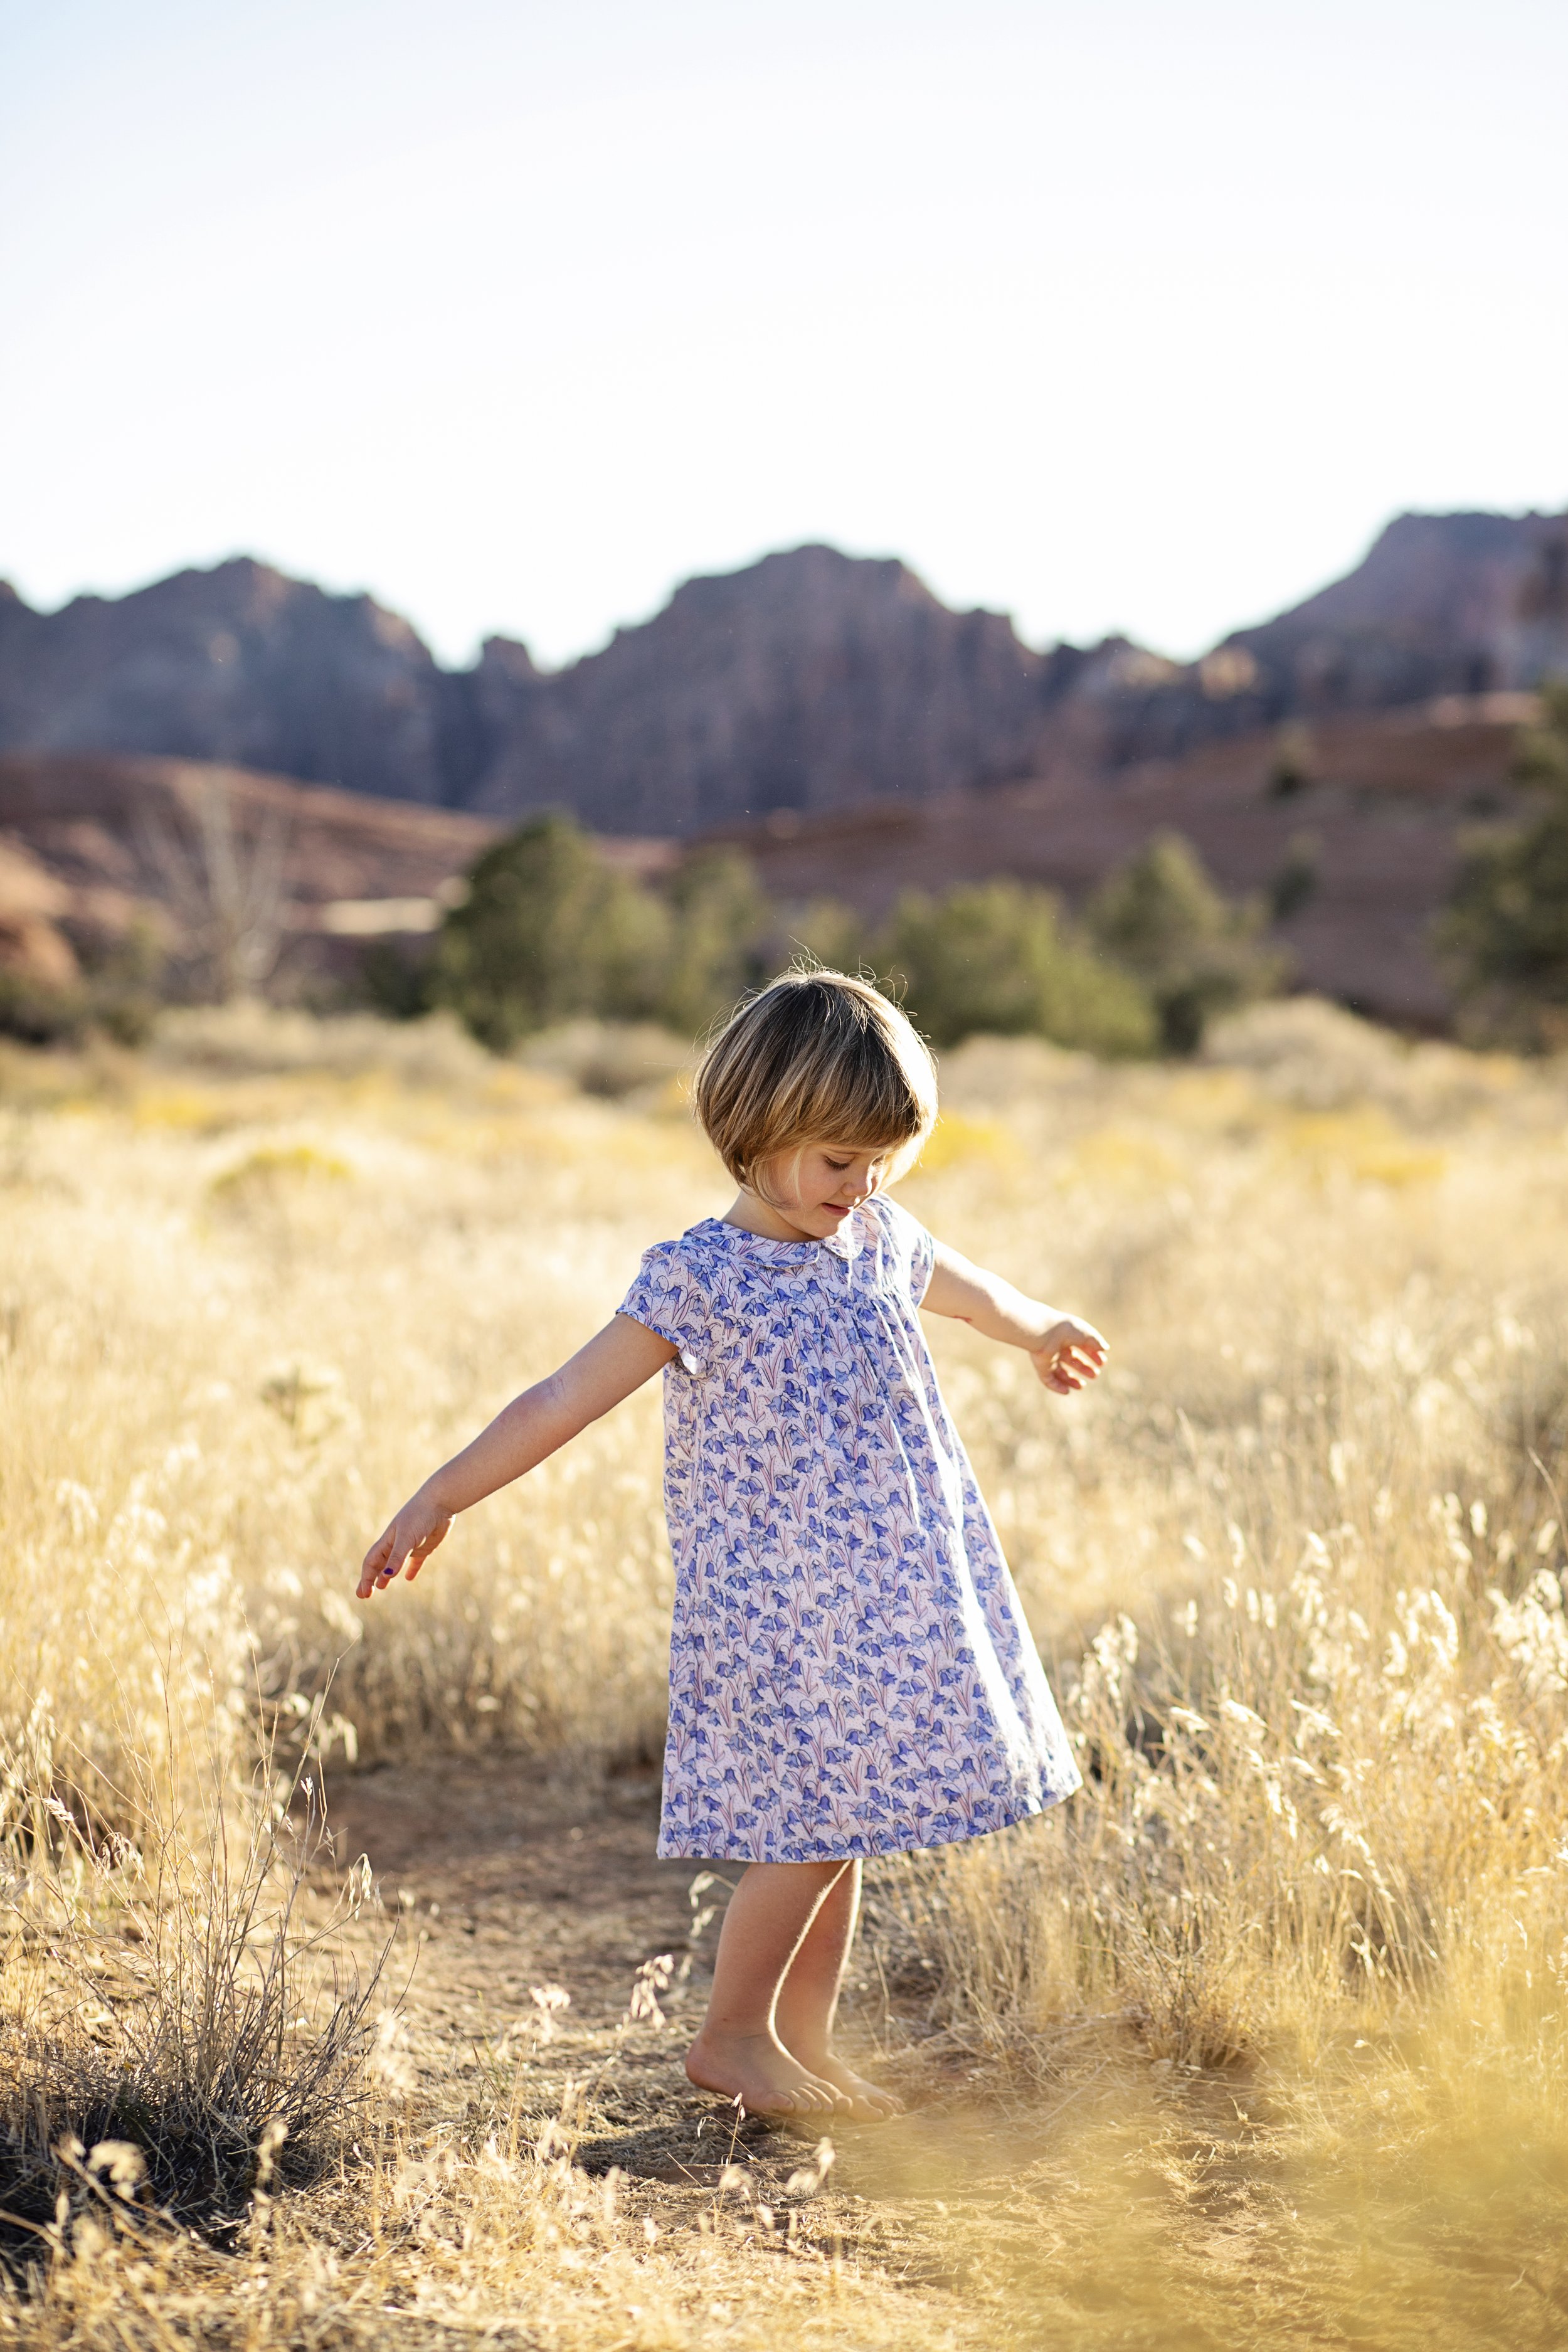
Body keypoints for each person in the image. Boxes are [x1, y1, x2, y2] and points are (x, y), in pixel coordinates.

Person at [358, 970, 1105, 2122]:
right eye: (839, 1160)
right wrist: (442, 1493)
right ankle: (732, 2036)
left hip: (889, 1592)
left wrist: (1043, 1327)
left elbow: (974, 1294)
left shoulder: (879, 1238)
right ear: (757, 1131)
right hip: (781, 1602)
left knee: (845, 1824)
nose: (862, 1187)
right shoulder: (700, 1278)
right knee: (807, 1824)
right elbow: (560, 1398)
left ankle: (801, 2042)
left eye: (882, 1161)